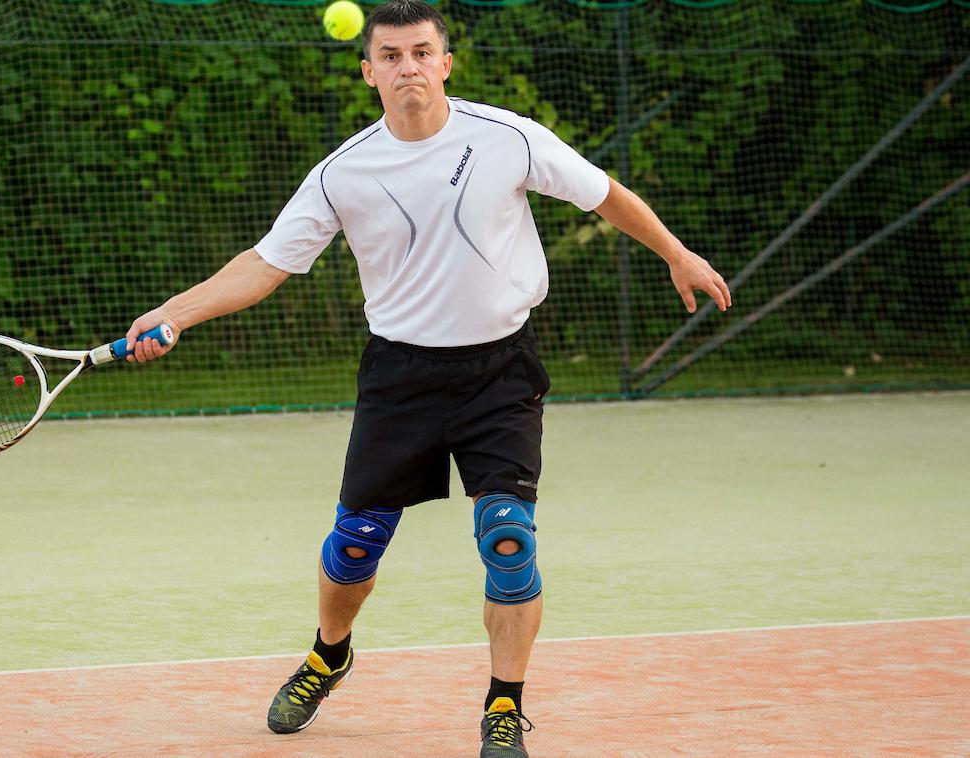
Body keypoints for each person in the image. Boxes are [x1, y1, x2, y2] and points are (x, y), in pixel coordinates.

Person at [124, 1, 730, 755]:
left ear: (445, 63)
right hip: (400, 375)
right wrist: (176, 313)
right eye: (391, 56)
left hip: (500, 371)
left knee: (509, 539)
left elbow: (601, 192)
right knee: (355, 546)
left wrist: (675, 252)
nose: (407, 66)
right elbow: (266, 263)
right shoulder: (343, 172)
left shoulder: (508, 137)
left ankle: (503, 706)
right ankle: (328, 654)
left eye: (421, 52)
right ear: (368, 71)